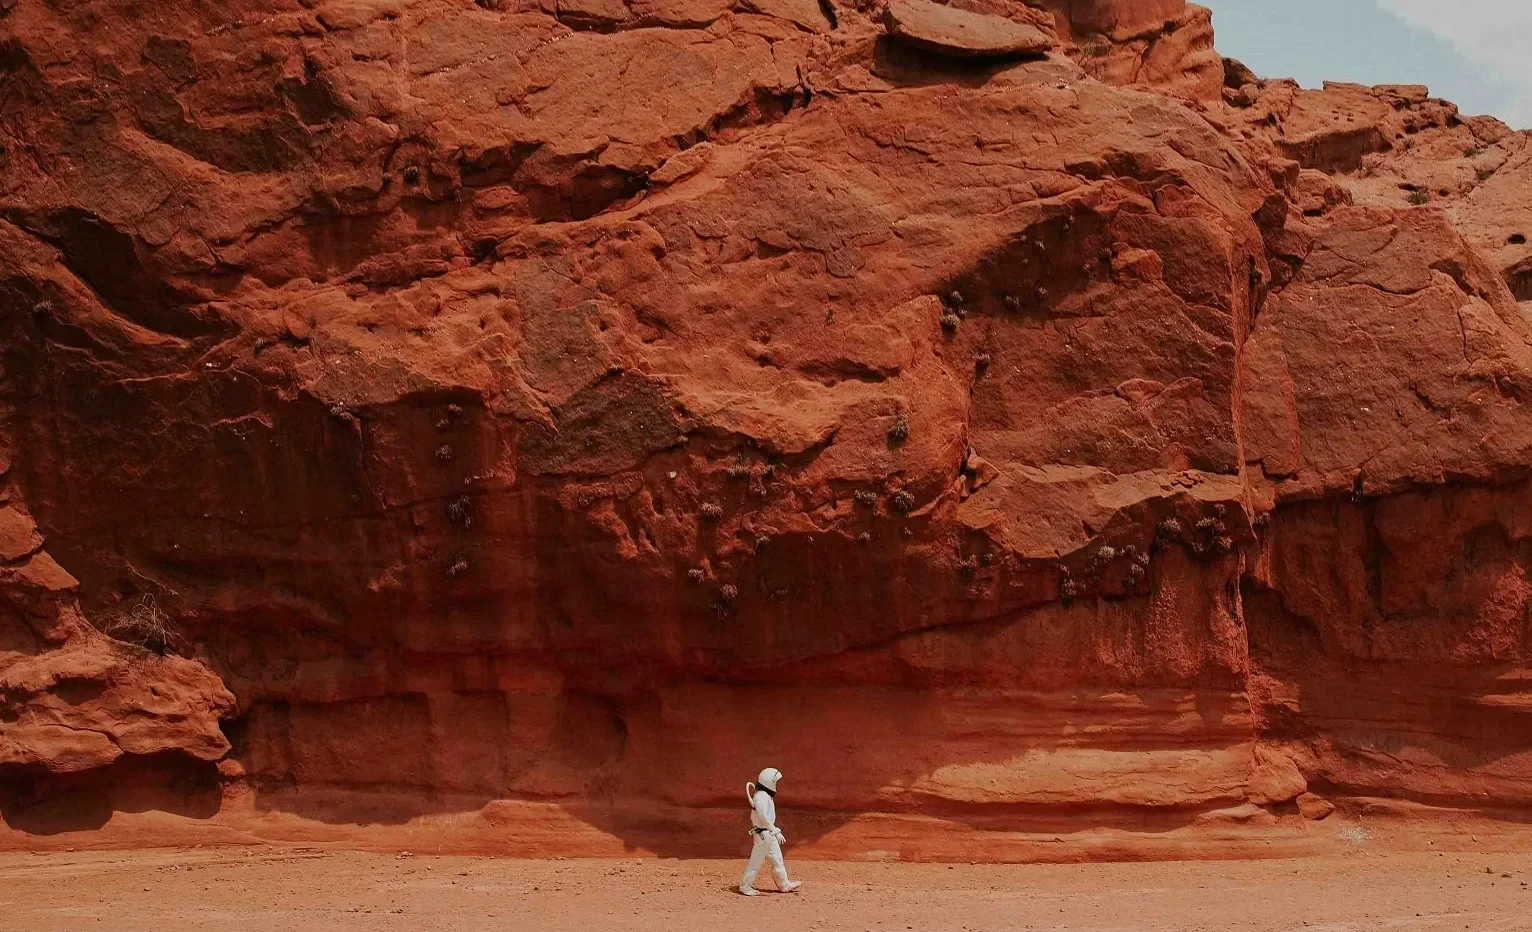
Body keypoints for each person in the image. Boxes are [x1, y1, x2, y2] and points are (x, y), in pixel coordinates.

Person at [739, 767, 802, 896]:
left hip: (768, 834)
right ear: (769, 781)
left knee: (777, 859)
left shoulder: (765, 795)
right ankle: (745, 886)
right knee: (755, 862)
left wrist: (773, 831)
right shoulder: (761, 796)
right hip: (764, 835)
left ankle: (784, 884)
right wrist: (775, 830)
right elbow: (763, 817)